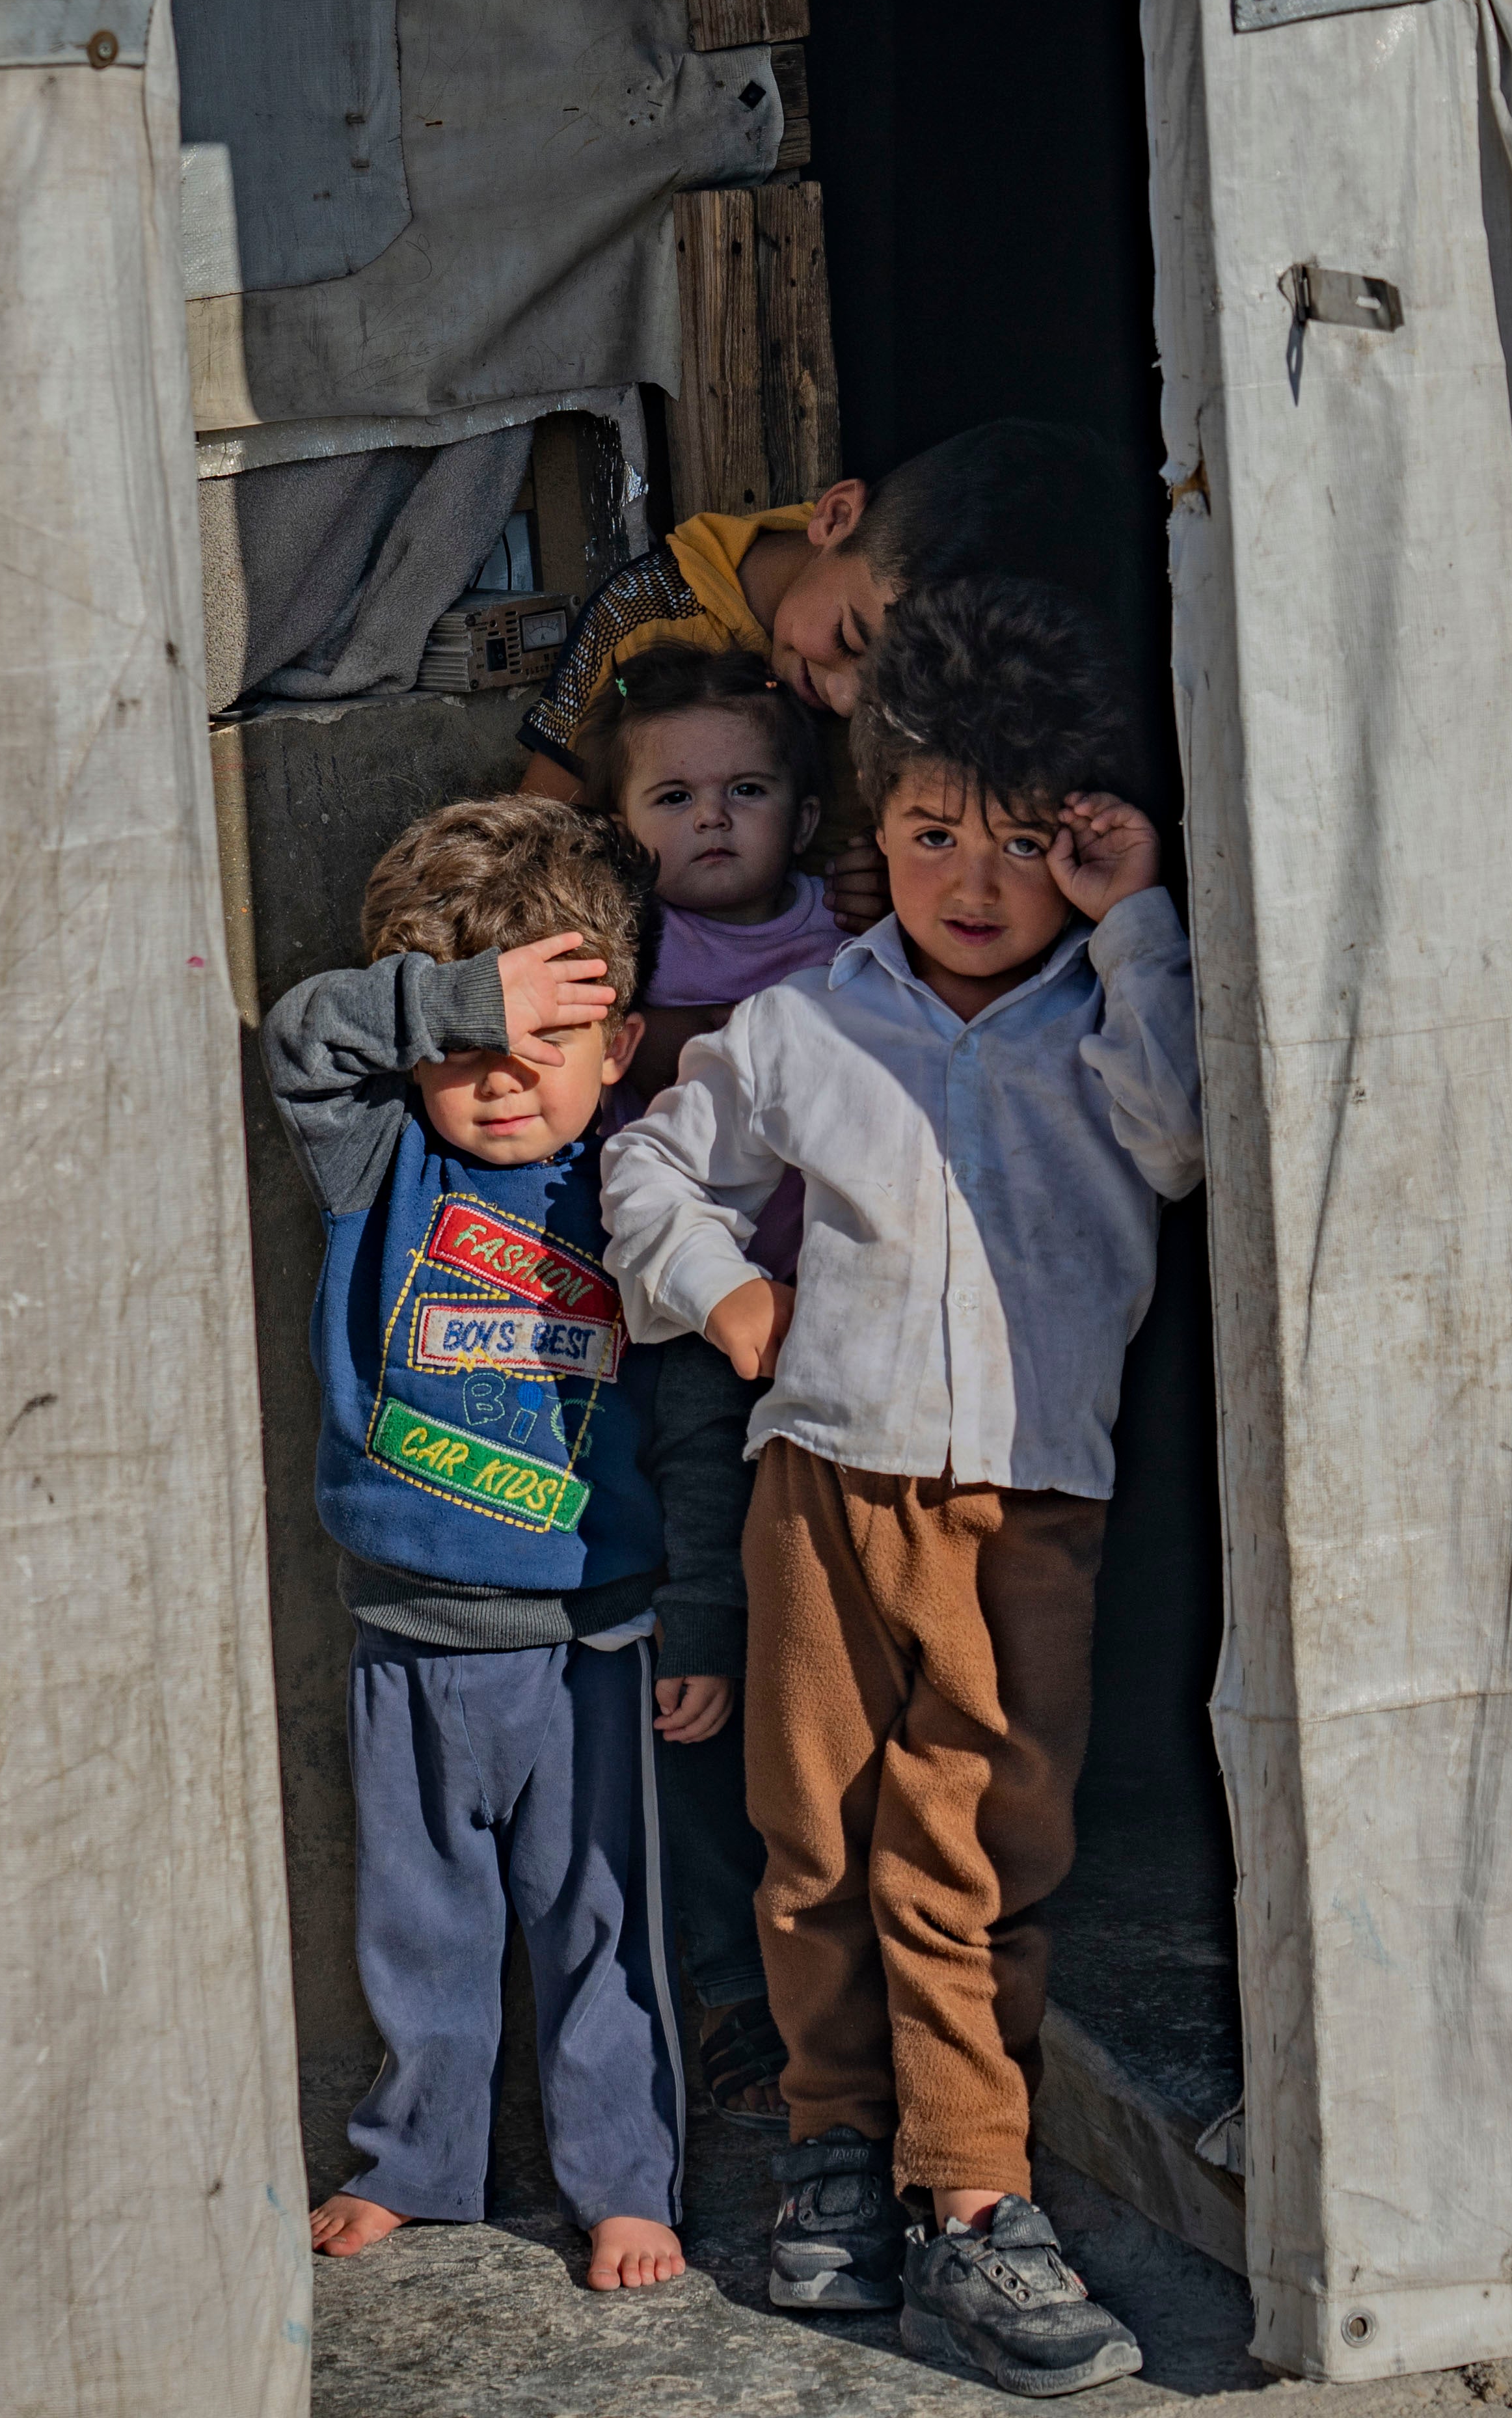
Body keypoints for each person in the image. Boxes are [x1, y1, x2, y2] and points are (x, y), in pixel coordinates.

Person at [601, 578, 1200, 2395]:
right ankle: (837, 2151)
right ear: (877, 833)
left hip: (1024, 1512)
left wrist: (1141, 919)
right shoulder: (805, 1029)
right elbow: (650, 1168)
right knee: (813, 1843)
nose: (972, 878)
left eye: (1025, 843)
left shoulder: (1107, 1025)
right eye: (933, 833)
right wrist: (726, 1289)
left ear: (1078, 853)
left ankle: (972, 2197)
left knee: (970, 1858)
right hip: (825, 1496)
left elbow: (1185, 1143)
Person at [261, 796, 704, 2293]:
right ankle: (413, 2162)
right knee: (418, 1930)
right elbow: (299, 1039)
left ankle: (623, 2183)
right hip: (403, 1642)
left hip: (591, 1648)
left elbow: (698, 1435)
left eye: (544, 1045)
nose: (501, 1082)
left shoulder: (641, 1191)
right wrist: (459, 999)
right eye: (466, 1048)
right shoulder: (382, 1164)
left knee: (602, 1934)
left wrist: (698, 1620)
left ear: (618, 1044)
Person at [584, 640, 848, 2131]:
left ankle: (831, 1959)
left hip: (849, 1346)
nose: (714, 819)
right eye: (674, 795)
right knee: (698, 1659)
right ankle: (731, 1982)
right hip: (683, 1353)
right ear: (626, 827)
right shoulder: (622, 964)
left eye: (747, 790)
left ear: (805, 818)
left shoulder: (855, 937)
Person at [511, 419, 1128, 927]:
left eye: (892, 683)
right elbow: (535, 839)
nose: (844, 695)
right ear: (835, 518)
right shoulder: (647, 613)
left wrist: (904, 890)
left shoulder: (974, 677)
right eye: (849, 637)